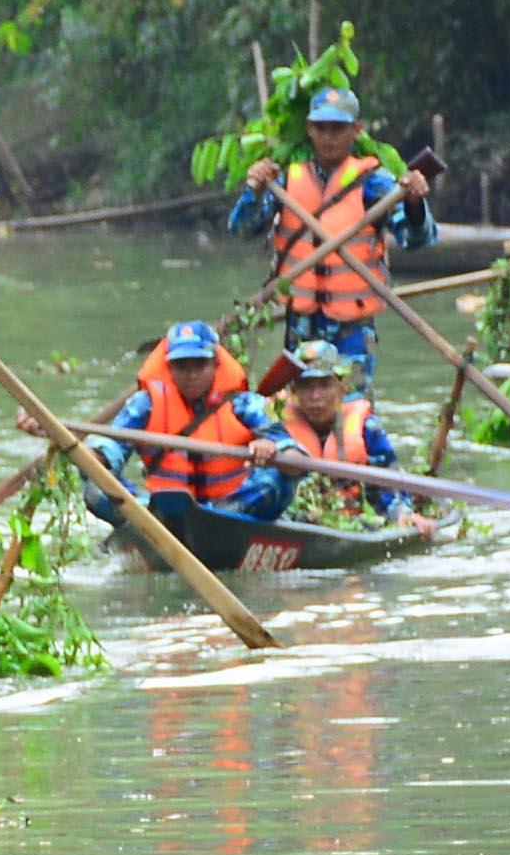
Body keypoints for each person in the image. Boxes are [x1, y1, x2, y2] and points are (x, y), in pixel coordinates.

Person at [225, 85, 434, 389]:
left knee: (352, 409)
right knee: (297, 408)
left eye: (337, 128)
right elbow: (241, 229)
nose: (328, 137)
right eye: (320, 128)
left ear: (356, 129)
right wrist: (255, 190)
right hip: (300, 323)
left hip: (352, 327)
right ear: (309, 129)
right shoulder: (283, 180)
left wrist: (415, 203)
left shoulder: (376, 183)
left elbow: (415, 239)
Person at [78, 318, 288, 554]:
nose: (191, 375)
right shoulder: (144, 404)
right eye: (182, 366)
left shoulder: (245, 403)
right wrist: (98, 457)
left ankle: (229, 526)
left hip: (233, 509)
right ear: (169, 369)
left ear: (216, 364)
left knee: (281, 477)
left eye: (199, 365)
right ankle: (145, 527)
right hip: (160, 511)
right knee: (96, 486)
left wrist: (269, 445)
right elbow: (113, 443)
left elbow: (283, 439)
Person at [265, 338, 412, 518]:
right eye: (306, 387)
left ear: (341, 389)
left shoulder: (367, 428)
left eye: (325, 386)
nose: (316, 396)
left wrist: (401, 514)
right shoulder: (274, 426)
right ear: (293, 391)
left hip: (351, 519)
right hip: (293, 516)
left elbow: (389, 483)